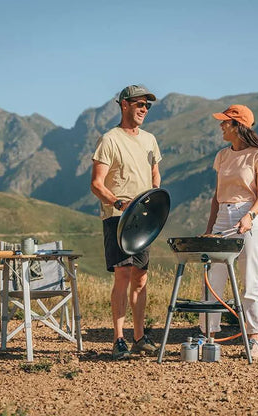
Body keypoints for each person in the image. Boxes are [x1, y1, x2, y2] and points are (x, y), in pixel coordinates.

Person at [91, 85, 162, 360]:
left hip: (144, 218)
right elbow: (97, 184)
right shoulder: (109, 140)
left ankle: (139, 337)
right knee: (123, 275)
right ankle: (118, 339)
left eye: (147, 105)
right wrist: (119, 202)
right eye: (139, 104)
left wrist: (154, 198)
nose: (144, 109)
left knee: (140, 278)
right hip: (119, 216)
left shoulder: (150, 140)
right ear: (123, 105)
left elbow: (155, 175)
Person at [199, 104, 258, 359]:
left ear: (238, 126)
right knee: (212, 277)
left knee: (250, 277)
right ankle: (208, 337)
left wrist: (249, 216)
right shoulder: (222, 156)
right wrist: (210, 229)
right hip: (223, 217)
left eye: (225, 122)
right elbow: (216, 196)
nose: (221, 126)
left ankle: (253, 339)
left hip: (249, 215)